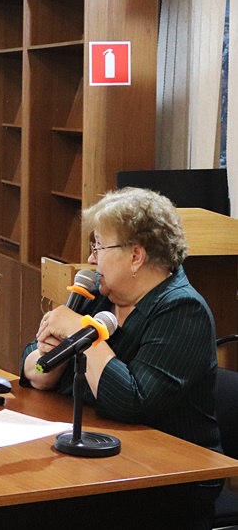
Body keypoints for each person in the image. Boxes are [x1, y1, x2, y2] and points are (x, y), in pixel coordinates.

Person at [20, 187, 222, 526]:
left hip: (169, 479)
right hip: (101, 455)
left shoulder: (182, 310)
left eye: (99, 246)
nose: (92, 259)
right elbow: (33, 363)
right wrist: (46, 365)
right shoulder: (100, 295)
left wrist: (83, 333)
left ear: (136, 256)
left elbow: (131, 401)